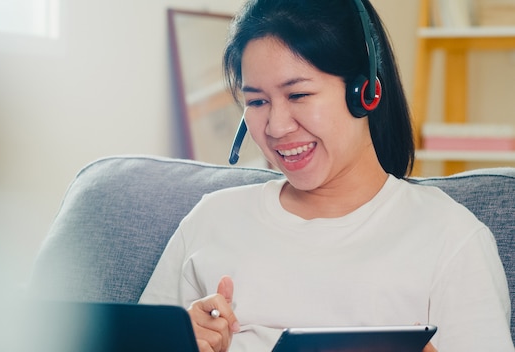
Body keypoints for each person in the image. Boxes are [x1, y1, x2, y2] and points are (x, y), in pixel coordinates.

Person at [139, 0, 514, 351]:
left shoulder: (451, 239)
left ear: (364, 91)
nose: (277, 126)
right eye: (256, 101)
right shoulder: (211, 219)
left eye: (298, 95)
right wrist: (175, 343)